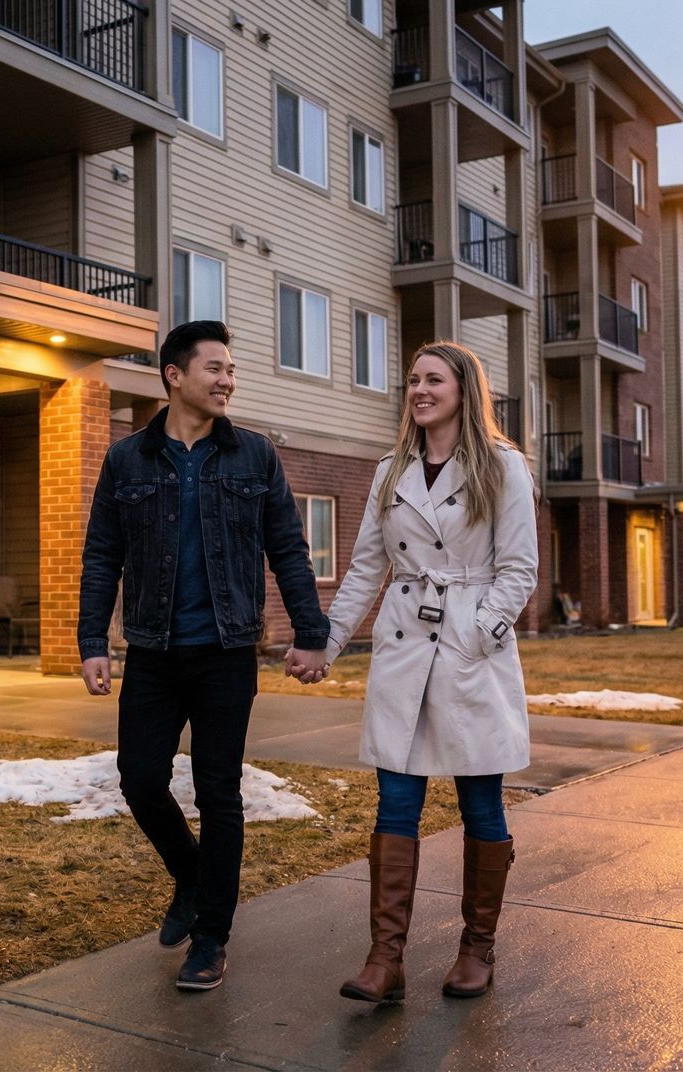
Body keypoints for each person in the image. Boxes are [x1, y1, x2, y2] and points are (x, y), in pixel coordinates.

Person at [78, 319, 331, 992]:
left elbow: (287, 549)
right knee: (139, 777)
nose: (228, 380)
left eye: (230, 370)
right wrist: (91, 641)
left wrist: (311, 631)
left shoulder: (254, 455)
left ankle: (210, 938)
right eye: (215, 368)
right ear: (175, 376)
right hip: (154, 651)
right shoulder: (126, 460)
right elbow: (102, 554)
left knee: (220, 792)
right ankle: (191, 874)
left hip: (226, 651)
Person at [287, 340, 537, 1004]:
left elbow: (519, 571)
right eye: (412, 381)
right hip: (403, 648)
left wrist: (477, 634)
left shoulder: (503, 467)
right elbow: (366, 566)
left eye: (433, 379)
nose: (419, 390)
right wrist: (326, 643)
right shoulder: (389, 470)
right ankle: (385, 960)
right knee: (397, 800)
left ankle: (476, 949)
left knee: (480, 801)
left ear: (463, 389)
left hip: (468, 650)